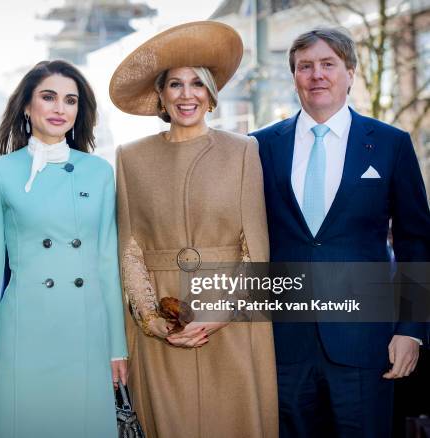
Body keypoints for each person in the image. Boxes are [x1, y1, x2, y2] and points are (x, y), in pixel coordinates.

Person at [251, 28, 430, 437]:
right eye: (305, 66)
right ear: (294, 76)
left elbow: (415, 242)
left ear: (350, 73)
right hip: (282, 345)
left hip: (365, 344)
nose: (317, 75)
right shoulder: (258, 147)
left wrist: (411, 329)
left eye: (328, 64)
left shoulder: (391, 144)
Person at [109, 21, 278, 438]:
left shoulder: (243, 150)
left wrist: (220, 315)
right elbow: (129, 250)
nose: (187, 95)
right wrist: (152, 320)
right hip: (163, 332)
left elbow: (254, 248)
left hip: (233, 321)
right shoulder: (130, 157)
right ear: (161, 96)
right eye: (175, 85)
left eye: (196, 84)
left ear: (210, 93)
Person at [0, 60, 128, 438]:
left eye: (71, 100)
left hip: (86, 329)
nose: (60, 108)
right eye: (48, 97)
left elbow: (107, 263)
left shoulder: (99, 172)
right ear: (27, 107)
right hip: (24, 330)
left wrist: (117, 347)